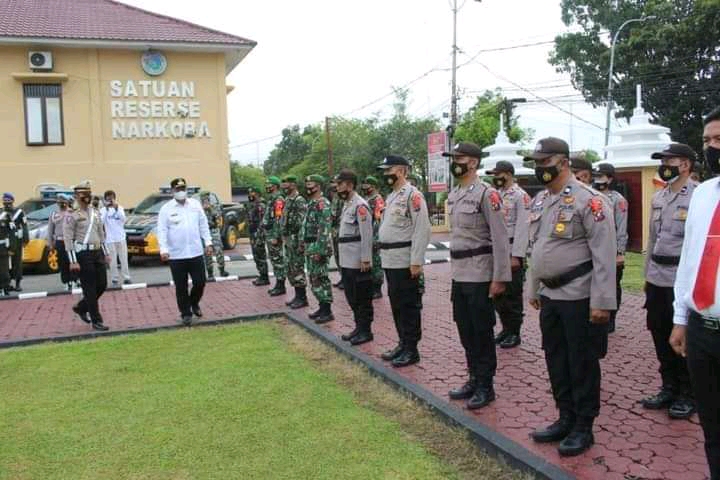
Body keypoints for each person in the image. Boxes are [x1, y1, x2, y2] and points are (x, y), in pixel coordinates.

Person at [525, 137, 615, 457]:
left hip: (579, 295)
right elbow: (535, 248)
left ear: (563, 163)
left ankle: (583, 426)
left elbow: (604, 254)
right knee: (556, 358)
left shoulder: (588, 200)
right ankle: (565, 417)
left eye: (545, 163)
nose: (539, 169)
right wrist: (532, 287)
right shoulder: (540, 201)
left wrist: (602, 303)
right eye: (536, 163)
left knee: (581, 361)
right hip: (550, 294)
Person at [670, 106, 720, 480]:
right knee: (712, 425)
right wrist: (680, 319)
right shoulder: (703, 194)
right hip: (702, 328)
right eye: (707, 141)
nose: (712, 148)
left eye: (719, 140)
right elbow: (689, 260)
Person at [445, 142, 511, 409]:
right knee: (465, 329)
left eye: (459, 158)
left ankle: (486, 385)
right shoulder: (455, 193)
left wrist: (500, 277)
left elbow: (500, 238)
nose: (455, 162)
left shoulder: (487, 193)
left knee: (482, 331)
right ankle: (473, 378)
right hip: (459, 273)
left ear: (472, 162)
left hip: (481, 273)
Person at [641, 143, 699, 420]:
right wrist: (646, 275)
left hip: (682, 279)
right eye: (662, 161)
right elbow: (652, 239)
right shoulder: (659, 198)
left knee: (683, 336)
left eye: (669, 160)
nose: (664, 165)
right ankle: (669, 386)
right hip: (657, 277)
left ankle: (688, 393)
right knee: (659, 331)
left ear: (685, 164)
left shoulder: (698, 196)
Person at [377, 155, 432, 367]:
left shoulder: (413, 195)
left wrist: (416, 261)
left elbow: (422, 229)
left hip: (405, 260)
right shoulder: (391, 196)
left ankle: (412, 349)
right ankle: (402, 343)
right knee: (396, 304)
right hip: (390, 260)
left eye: (388, 170)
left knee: (409, 306)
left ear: (401, 170)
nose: (385, 174)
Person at [486, 160, 530, 349]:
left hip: (512, 250)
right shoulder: (496, 195)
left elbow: (523, 227)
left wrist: (517, 256)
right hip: (497, 251)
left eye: (499, 174)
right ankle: (505, 329)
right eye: (494, 175)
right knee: (498, 295)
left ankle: (514, 332)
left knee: (512, 294)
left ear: (509, 174)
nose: (496, 178)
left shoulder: (521, 196)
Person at [157, 178, 213, 326]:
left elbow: (203, 224)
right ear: (172, 191)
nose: (181, 192)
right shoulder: (166, 209)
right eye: (177, 189)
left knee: (200, 282)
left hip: (195, 252)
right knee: (181, 286)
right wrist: (163, 249)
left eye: (183, 189)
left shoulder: (195, 205)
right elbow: (162, 231)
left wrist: (208, 242)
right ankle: (186, 313)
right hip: (176, 255)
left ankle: (194, 302)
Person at [63, 181, 111, 331]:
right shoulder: (72, 215)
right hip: (82, 254)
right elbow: (68, 239)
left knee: (102, 284)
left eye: (88, 194)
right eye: (83, 195)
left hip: (97, 252)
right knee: (89, 288)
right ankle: (96, 320)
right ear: (77, 196)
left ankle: (82, 307)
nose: (87, 197)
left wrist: (106, 252)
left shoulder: (95, 212)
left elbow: (101, 233)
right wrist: (73, 261)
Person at [336, 169, 374, 345]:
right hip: (347, 260)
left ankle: (366, 331)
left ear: (350, 185)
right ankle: (358, 328)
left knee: (362, 298)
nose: (337, 188)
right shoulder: (347, 204)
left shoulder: (360, 205)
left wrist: (366, 258)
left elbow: (367, 234)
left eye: (340, 184)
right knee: (351, 296)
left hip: (358, 260)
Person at [592, 163, 629, 333]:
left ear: (610, 179)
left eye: (602, 176)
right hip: (594, 249)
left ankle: (611, 317)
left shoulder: (618, 200)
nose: (598, 180)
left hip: (612, 249)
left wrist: (620, 252)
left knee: (613, 284)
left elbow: (621, 227)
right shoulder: (591, 197)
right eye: (596, 176)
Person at [301, 175, 335, 324]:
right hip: (310, 245)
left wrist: (320, 250)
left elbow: (324, 228)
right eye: (307, 184)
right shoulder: (312, 203)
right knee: (313, 278)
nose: (308, 187)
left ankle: (327, 310)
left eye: (311, 184)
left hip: (318, 246)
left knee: (320, 277)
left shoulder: (323, 203)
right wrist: (303, 242)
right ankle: (322, 307)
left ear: (319, 186)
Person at [280, 175, 308, 308]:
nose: (284, 186)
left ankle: (302, 297)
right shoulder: (287, 200)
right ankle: (297, 295)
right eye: (283, 183)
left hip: (296, 239)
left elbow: (302, 222)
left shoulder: (299, 200)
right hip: (289, 239)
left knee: (297, 267)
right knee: (290, 267)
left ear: (294, 185)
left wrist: (301, 242)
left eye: (287, 183)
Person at [100, 190, 131, 286]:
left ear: (114, 199)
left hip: (120, 237)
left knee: (123, 258)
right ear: (105, 200)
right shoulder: (103, 210)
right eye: (108, 199)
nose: (110, 201)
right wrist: (106, 209)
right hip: (109, 239)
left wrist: (116, 208)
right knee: (112, 260)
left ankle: (126, 277)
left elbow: (123, 219)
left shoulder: (120, 208)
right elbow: (101, 222)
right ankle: (114, 278)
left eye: (111, 199)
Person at [361, 176, 385, 299]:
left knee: (376, 262)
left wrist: (376, 237)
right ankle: (371, 286)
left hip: (374, 234)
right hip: (366, 233)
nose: (365, 188)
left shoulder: (377, 199)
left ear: (373, 186)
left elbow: (379, 219)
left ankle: (377, 289)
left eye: (367, 186)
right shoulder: (365, 199)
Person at [262, 176, 287, 296]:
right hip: (269, 233)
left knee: (278, 259)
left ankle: (281, 285)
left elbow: (279, 218)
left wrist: (276, 236)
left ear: (275, 186)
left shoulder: (278, 200)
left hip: (274, 234)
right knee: (274, 259)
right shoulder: (271, 199)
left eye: (269, 185)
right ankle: (278, 283)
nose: (267, 187)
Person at [47, 193, 77, 290]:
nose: (62, 204)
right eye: (59, 202)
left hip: (71, 240)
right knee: (62, 262)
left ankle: (74, 280)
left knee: (72, 261)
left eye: (63, 202)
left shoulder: (72, 213)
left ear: (67, 202)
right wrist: (50, 244)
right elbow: (50, 230)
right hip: (60, 241)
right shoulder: (54, 214)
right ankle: (66, 281)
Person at [200, 192, 228, 281]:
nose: (205, 200)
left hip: (214, 231)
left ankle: (222, 270)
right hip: (205, 232)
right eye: (204, 198)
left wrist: (210, 209)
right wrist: (203, 209)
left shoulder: (214, 207)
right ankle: (210, 273)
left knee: (219, 250)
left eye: (207, 198)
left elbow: (218, 216)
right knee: (207, 253)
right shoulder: (198, 209)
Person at [3, 193, 28, 292]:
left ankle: (17, 283)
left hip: (17, 240)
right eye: (5, 203)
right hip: (4, 241)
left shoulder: (19, 212)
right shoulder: (1, 212)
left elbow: (24, 225)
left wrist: (26, 238)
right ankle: (7, 283)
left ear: (12, 202)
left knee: (17, 263)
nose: (7, 205)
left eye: (8, 203)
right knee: (5, 263)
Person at [247, 187, 270, 286]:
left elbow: (262, 221)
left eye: (251, 193)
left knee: (260, 254)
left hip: (258, 233)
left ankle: (264, 277)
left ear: (257, 194)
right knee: (256, 255)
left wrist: (259, 234)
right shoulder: (254, 204)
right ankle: (261, 275)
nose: (250, 195)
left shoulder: (261, 205)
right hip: (253, 232)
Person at [328, 179, 345, 290]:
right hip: (335, 231)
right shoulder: (334, 198)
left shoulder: (341, 199)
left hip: (341, 230)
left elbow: (335, 215)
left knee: (342, 256)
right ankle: (342, 277)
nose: (333, 188)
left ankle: (346, 279)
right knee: (337, 255)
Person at [0, 206, 11, 296]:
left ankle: (5, 288)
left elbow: (11, 232)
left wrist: (11, 248)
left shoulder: (4, 216)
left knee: (3, 269)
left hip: (2, 247)